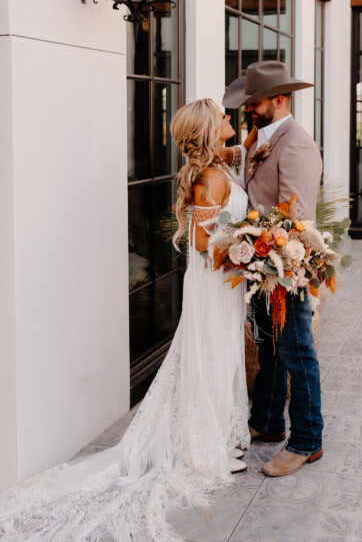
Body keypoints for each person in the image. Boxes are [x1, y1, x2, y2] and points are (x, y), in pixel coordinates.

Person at [0, 99, 256, 541]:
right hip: (214, 280)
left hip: (224, 280)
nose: (229, 118)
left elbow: (240, 154)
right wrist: (244, 248)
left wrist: (252, 149)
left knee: (221, 351)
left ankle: (214, 432)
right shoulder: (210, 180)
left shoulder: (220, 165)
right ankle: (203, 444)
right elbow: (200, 243)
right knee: (210, 354)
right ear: (209, 129)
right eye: (222, 116)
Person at [223, 60, 324, 478]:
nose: (248, 108)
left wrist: (270, 259)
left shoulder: (297, 144)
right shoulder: (260, 137)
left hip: (285, 266)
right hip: (261, 264)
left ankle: (307, 440)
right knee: (268, 348)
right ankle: (266, 422)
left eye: (255, 102)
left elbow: (295, 217)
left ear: (278, 100)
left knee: (296, 352)